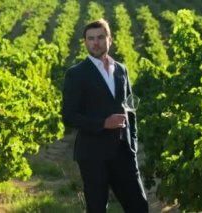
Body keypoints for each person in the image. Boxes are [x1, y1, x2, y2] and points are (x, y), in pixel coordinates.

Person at [61, 18, 149, 213]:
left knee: (139, 207)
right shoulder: (76, 74)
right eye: (91, 38)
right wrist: (103, 123)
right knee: (97, 209)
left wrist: (132, 145)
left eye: (101, 37)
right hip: (93, 155)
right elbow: (69, 116)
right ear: (85, 42)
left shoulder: (121, 70)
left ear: (110, 40)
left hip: (123, 153)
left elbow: (130, 110)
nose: (96, 42)